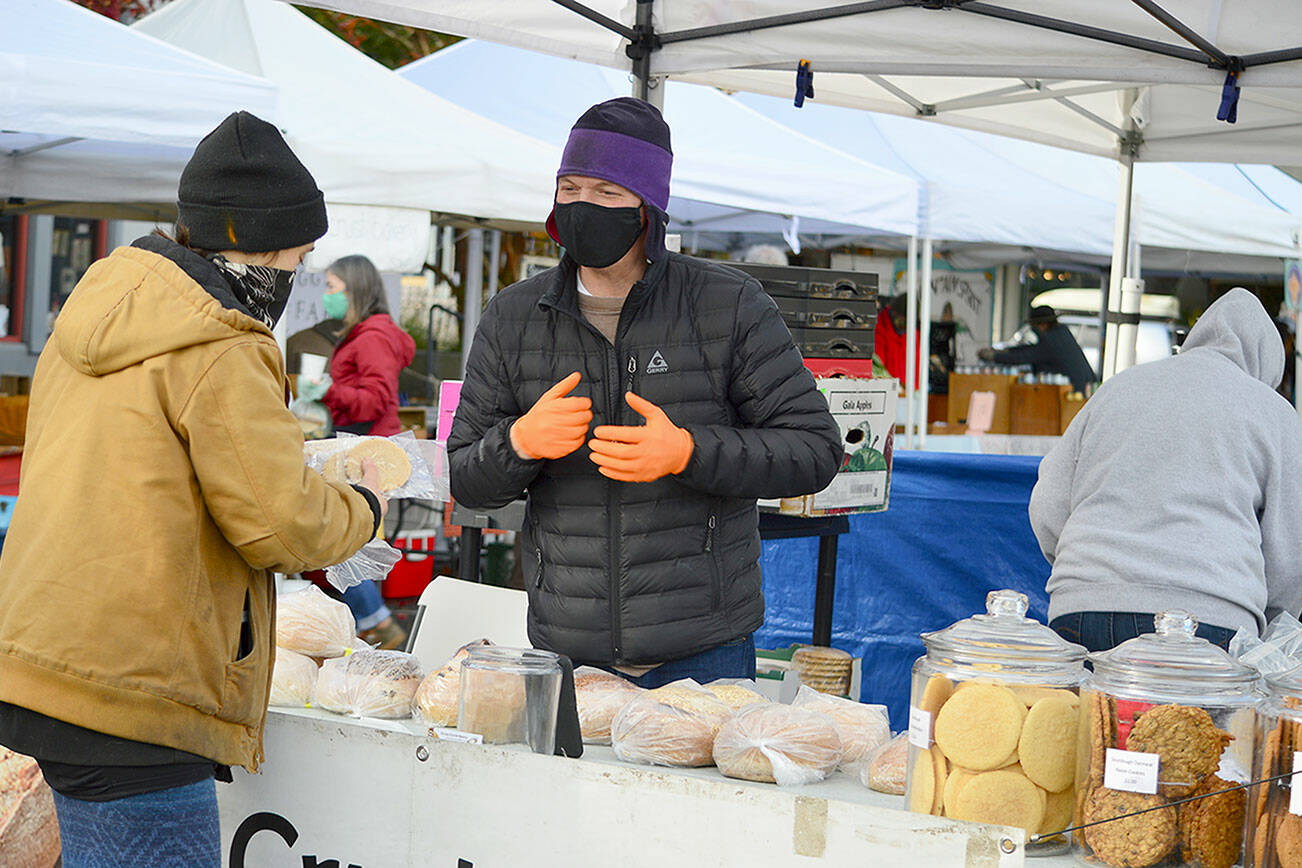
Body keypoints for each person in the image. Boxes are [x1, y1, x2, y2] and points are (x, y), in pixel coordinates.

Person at [0, 111, 387, 865]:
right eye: (301, 257)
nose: (300, 276)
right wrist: (365, 509)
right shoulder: (221, 342)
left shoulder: (99, 302)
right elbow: (281, 524)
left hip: (47, 659)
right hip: (136, 686)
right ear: (265, 246)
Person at [447, 97, 841, 687]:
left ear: (647, 208)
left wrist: (687, 453)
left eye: (607, 193)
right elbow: (463, 476)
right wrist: (518, 442)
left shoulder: (729, 305)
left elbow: (814, 451)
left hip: (703, 650)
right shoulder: (514, 316)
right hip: (566, 651)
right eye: (570, 188)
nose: (584, 206)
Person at [1029, 288, 1302, 653]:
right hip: (1212, 616)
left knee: (1089, 713)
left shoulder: (1119, 387)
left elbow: (1047, 505)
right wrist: (1263, 624)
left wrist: (1092, 572)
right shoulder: (1273, 412)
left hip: (1082, 607)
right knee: (1191, 714)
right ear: (1265, 362)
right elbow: (1289, 555)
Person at [297, 254, 415, 650]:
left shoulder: (372, 337)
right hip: (360, 458)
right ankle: (369, 624)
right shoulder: (365, 334)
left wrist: (327, 389)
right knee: (349, 543)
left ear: (355, 290)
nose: (326, 296)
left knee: (349, 543)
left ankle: (377, 625)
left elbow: (375, 401)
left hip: (366, 462)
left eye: (331, 288)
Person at [977, 305, 1096, 393]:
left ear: (1043, 325)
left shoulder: (1051, 342)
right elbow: (1033, 349)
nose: (1033, 329)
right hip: (1085, 386)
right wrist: (1007, 350)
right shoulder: (1061, 332)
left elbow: (1025, 356)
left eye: (1034, 326)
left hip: (1074, 391)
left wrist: (995, 356)